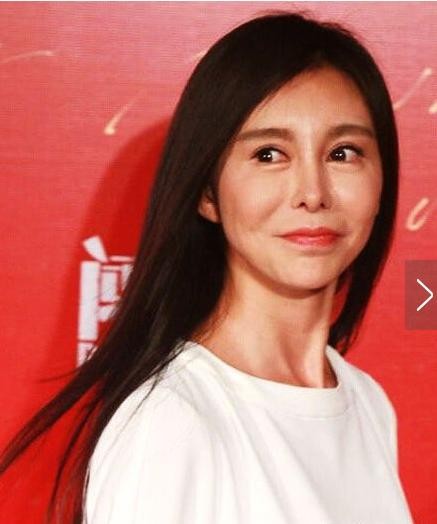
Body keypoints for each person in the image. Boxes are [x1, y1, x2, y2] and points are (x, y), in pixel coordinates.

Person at [0, 10, 414, 524]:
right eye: (269, 155)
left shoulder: (367, 403)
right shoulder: (171, 419)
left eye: (343, 153)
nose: (312, 192)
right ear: (207, 194)